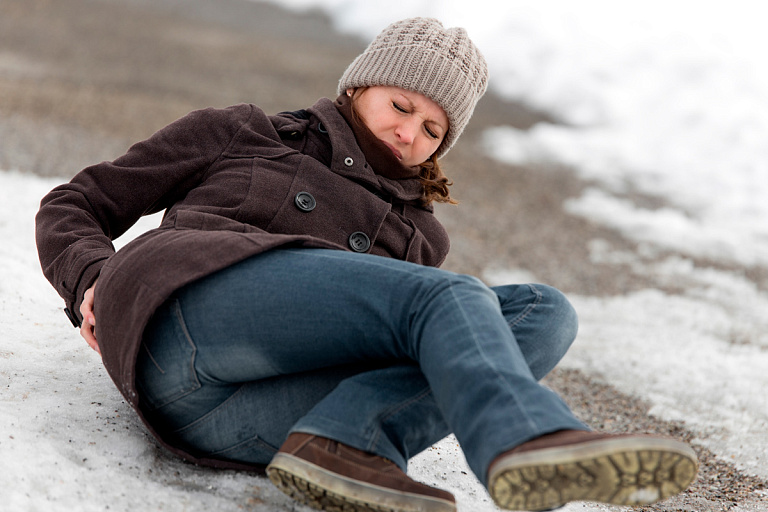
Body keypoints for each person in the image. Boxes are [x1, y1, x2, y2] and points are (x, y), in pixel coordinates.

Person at [36, 17, 697, 512]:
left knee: (544, 314)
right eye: (401, 106)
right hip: (180, 320)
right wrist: (92, 274)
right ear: (359, 86)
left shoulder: (420, 239)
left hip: (237, 419)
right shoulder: (251, 133)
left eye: (434, 130)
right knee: (450, 300)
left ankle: (343, 441)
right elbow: (77, 201)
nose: (411, 132)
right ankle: (526, 438)